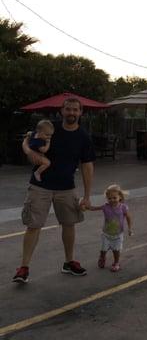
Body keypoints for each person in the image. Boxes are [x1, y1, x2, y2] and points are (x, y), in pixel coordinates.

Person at [12, 98, 95, 284]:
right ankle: (24, 267)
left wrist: (87, 196)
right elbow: (28, 139)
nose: (71, 113)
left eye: (75, 110)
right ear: (62, 111)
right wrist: (29, 152)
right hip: (40, 186)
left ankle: (69, 262)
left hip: (66, 188)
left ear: (81, 112)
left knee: (69, 224)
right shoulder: (49, 128)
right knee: (33, 225)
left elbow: (87, 165)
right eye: (68, 109)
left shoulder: (83, 137)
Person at [86, 184, 133, 272]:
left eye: (114, 198)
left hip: (118, 235)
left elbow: (128, 217)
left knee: (116, 251)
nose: (112, 200)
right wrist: (86, 207)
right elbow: (93, 208)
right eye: (109, 198)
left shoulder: (123, 207)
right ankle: (102, 258)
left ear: (120, 197)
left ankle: (116, 263)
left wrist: (130, 228)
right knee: (103, 250)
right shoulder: (105, 207)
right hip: (106, 234)